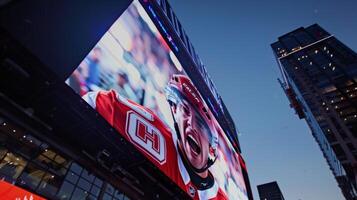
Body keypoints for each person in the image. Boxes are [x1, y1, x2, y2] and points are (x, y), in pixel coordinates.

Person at [82, 74, 227, 199]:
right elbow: (97, 101)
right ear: (175, 109)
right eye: (185, 110)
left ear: (212, 148)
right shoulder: (155, 139)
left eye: (201, 124)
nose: (191, 123)